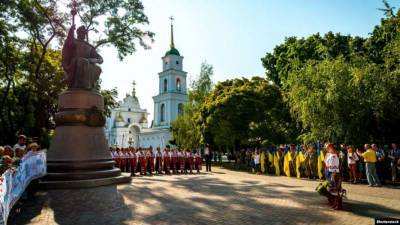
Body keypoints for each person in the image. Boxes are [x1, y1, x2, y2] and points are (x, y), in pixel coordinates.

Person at [324, 144, 343, 210]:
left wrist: (332, 176)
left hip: (333, 174)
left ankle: (338, 205)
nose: (327, 149)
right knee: (334, 190)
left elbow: (334, 167)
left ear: (331, 148)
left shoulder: (333, 156)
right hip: (331, 173)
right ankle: (336, 204)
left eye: (328, 148)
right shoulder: (331, 155)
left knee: (336, 190)